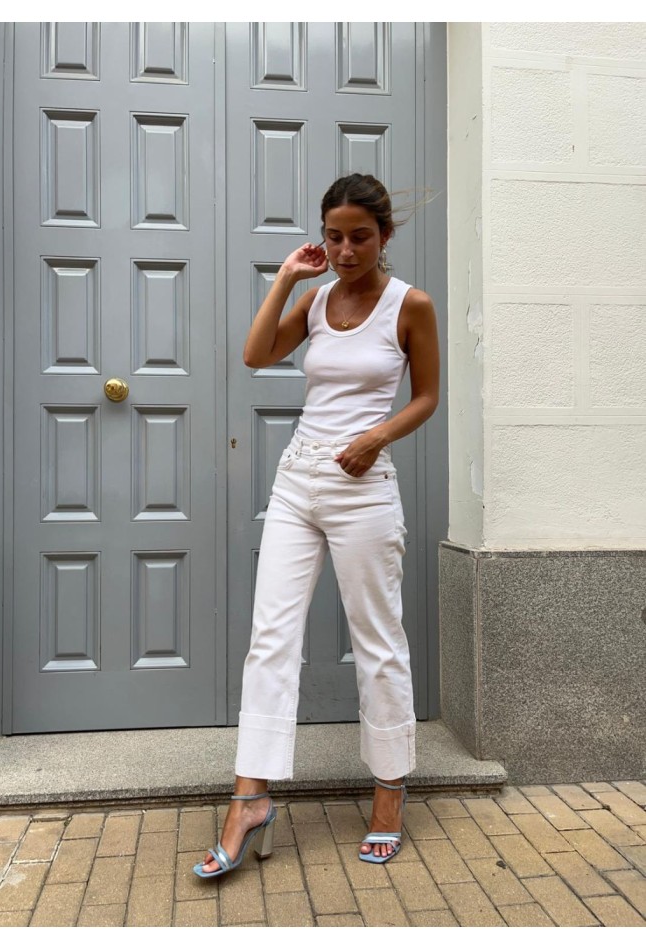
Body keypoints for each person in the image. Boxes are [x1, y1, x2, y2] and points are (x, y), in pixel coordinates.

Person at [194, 173, 440, 877]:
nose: (345, 250)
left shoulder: (410, 305)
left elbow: (427, 396)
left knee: (378, 639)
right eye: (334, 237)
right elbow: (255, 354)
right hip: (297, 480)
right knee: (270, 636)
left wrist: (377, 437)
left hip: (363, 488)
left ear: (384, 236)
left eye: (359, 236)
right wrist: (285, 279)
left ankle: (389, 792)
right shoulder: (317, 299)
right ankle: (250, 798)